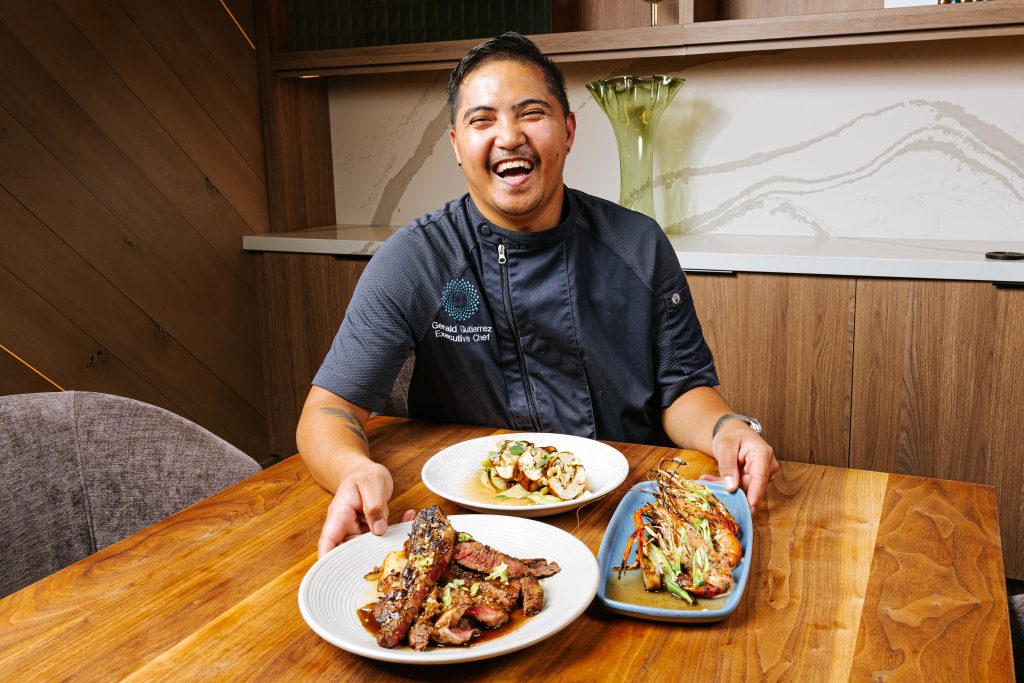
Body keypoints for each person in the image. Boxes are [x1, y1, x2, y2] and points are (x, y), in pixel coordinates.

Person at [297, 32, 779, 557]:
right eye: (482, 120)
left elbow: (681, 390)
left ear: (568, 131)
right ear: (457, 144)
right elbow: (328, 410)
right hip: (473, 531)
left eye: (531, 113)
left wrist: (727, 428)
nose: (509, 137)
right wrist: (355, 469)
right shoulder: (416, 258)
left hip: (624, 518)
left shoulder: (637, 244)